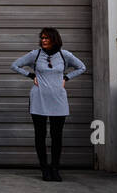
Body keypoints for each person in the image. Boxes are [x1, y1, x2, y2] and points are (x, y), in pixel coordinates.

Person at [10, 28, 86, 181]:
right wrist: (31, 75)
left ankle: (55, 168)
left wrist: (66, 78)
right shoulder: (35, 55)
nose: (43, 40)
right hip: (39, 99)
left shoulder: (65, 55)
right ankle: (44, 168)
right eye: (42, 38)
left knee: (56, 136)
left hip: (58, 99)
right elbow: (15, 65)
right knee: (40, 135)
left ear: (54, 39)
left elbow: (82, 67)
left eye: (47, 38)